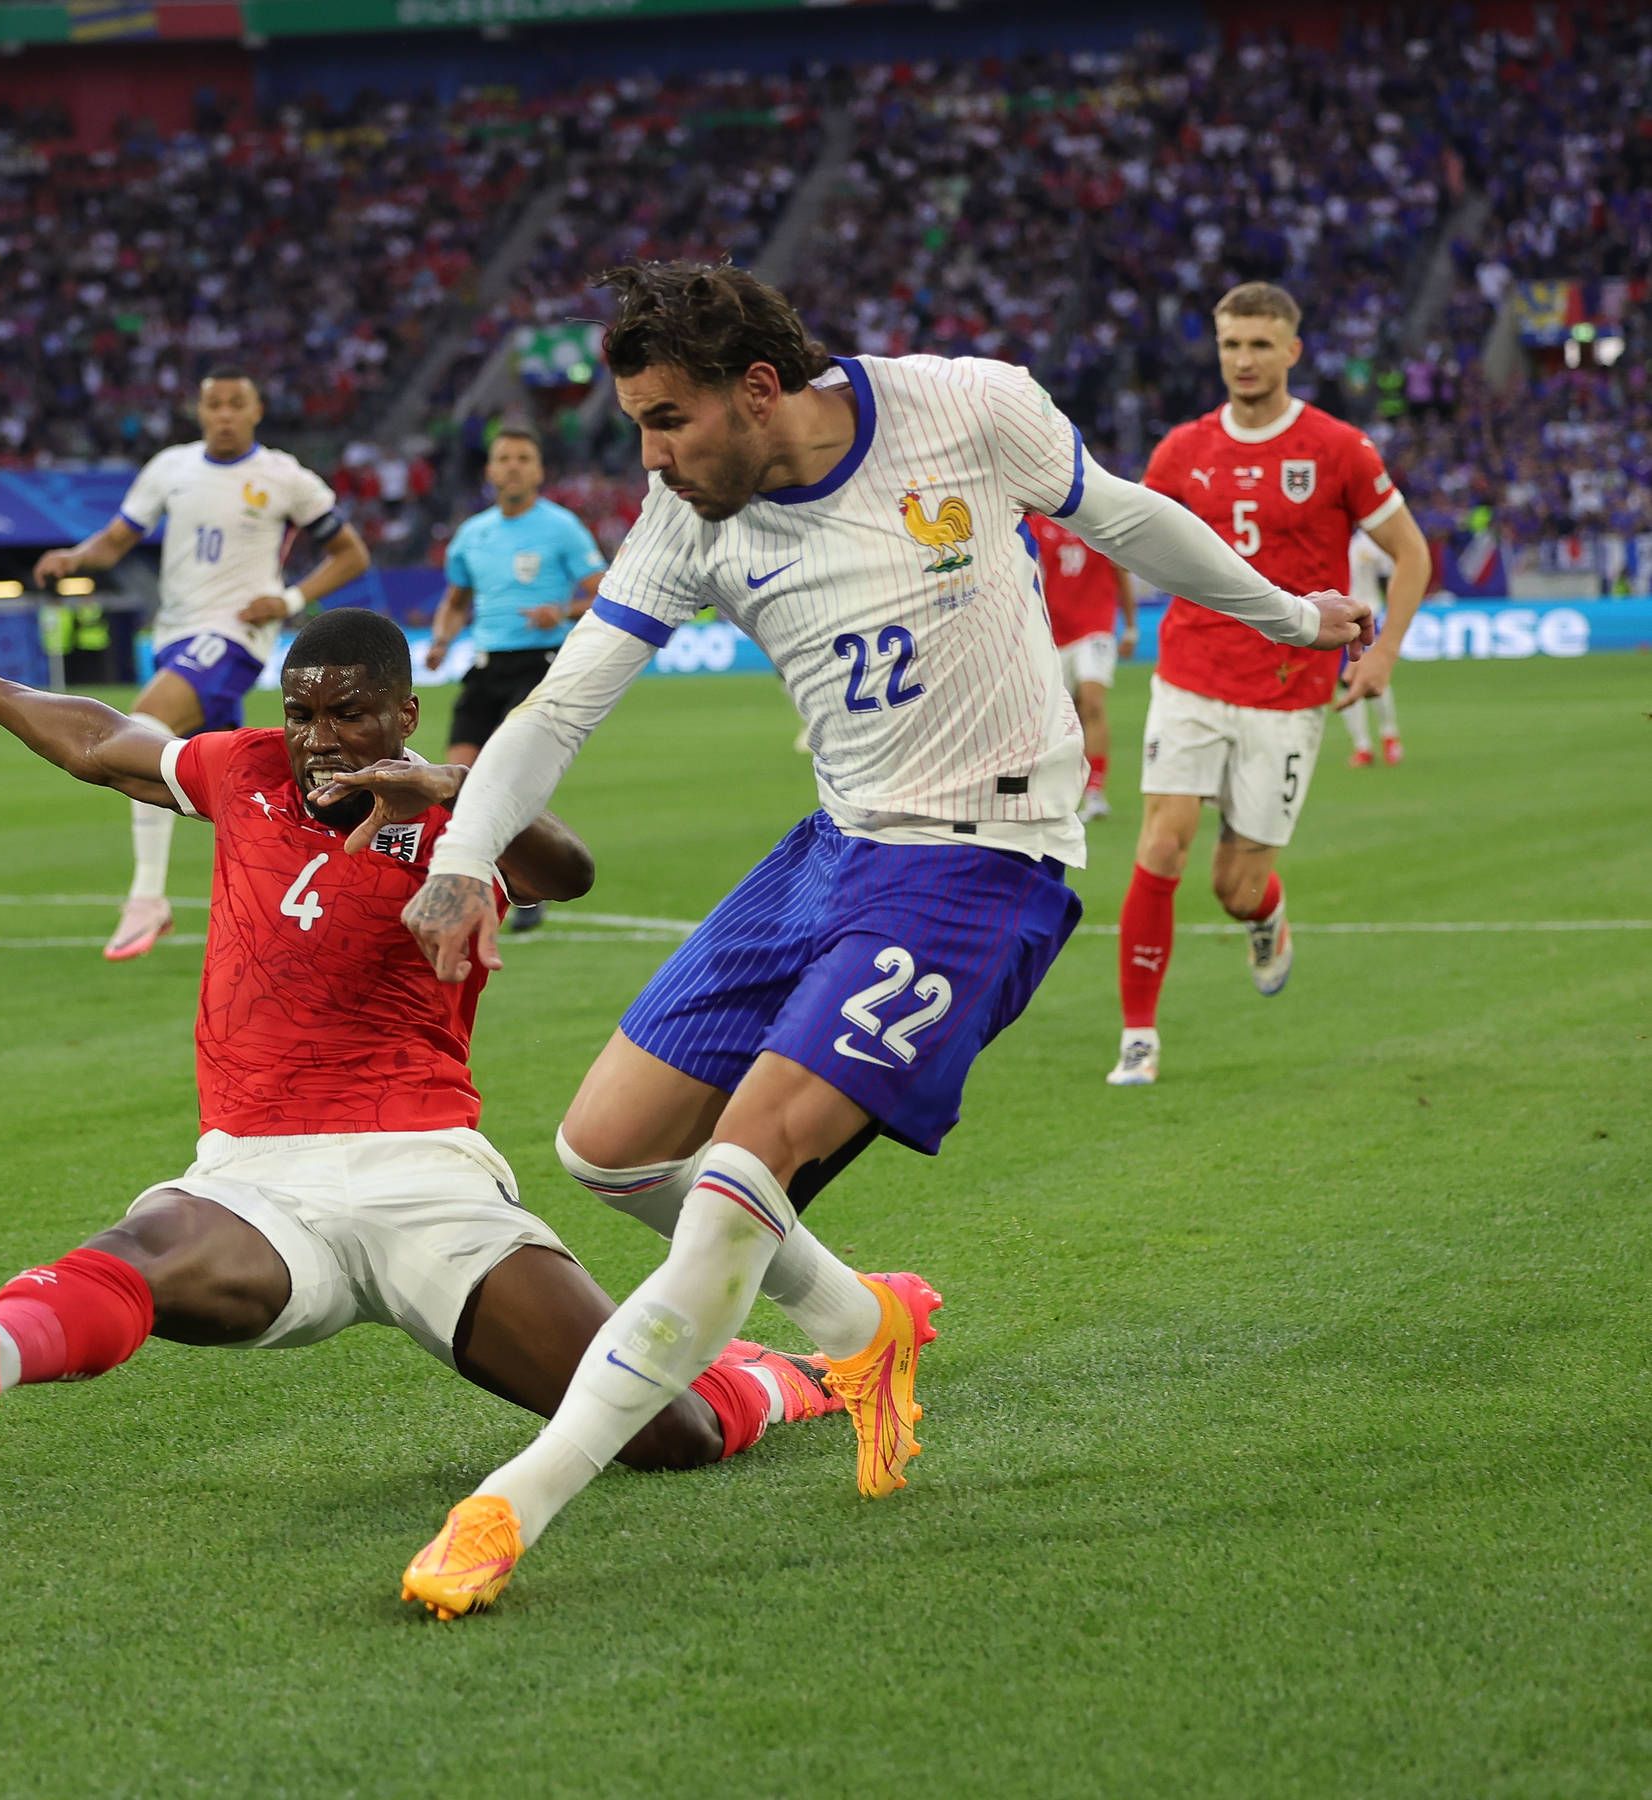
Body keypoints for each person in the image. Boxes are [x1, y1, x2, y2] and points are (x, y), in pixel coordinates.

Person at [346, 261, 1376, 1619]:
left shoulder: (966, 406)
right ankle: (855, 1323)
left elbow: (1125, 517)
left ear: (757, 390)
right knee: (609, 1147)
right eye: (640, 426)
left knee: (738, 1175)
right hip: (834, 847)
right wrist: (463, 860)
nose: (651, 456)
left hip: (979, 863)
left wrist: (1293, 616)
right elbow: (562, 706)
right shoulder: (686, 517)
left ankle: (511, 1505)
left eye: (668, 420)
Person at [0, 611, 843, 1500]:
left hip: (424, 1177)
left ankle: (773, 1380)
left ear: (404, 713)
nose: (318, 739)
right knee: (145, 1251)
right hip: (254, 1175)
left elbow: (568, 872)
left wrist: (460, 792)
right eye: (301, 714)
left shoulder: (462, 821)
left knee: (669, 1437)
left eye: (348, 715)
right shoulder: (245, 772)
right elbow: (105, 742)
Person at [1111, 283, 1431, 1086]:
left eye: (1260, 344)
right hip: (1191, 671)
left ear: (1293, 350)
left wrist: (1383, 655)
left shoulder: (1338, 448)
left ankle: (1265, 911)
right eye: (1231, 344)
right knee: (1162, 841)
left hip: (1288, 692)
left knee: (1234, 885)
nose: (1244, 360)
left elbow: (1413, 553)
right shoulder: (1180, 451)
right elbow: (1140, 543)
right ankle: (1139, 1036)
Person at [32, 369, 372, 961]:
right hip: (175, 634)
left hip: (235, 633)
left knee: (146, 724)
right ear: (200, 410)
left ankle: (147, 898)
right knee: (234, 786)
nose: (224, 414)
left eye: (236, 403)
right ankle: (308, 891)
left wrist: (290, 599)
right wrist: (75, 556)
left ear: (257, 411)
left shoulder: (284, 476)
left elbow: (352, 554)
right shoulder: (171, 467)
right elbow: (116, 540)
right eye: (214, 403)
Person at [424, 426, 609, 931]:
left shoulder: (561, 527)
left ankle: (529, 887)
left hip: (539, 664)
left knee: (508, 776)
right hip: (486, 666)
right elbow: (456, 601)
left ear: (539, 470)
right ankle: (477, 879)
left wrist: (561, 611)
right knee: (456, 780)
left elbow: (604, 590)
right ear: (489, 470)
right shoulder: (472, 534)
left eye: (523, 458)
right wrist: (441, 640)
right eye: (504, 458)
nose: (512, 466)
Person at [1025, 512, 1136, 819]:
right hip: (1055, 632)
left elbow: (1121, 572)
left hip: (1095, 628)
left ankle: (1096, 791)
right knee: (1060, 716)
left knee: (1092, 704)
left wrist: (1130, 627)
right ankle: (1062, 790)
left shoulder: (1095, 518)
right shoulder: (1038, 523)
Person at [1338, 530, 1402, 767]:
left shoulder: (1371, 541)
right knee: (1345, 681)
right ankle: (1362, 746)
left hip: (1368, 617)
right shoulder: (1330, 537)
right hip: (1338, 621)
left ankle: (1389, 735)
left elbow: (1388, 579)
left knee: (1373, 677)